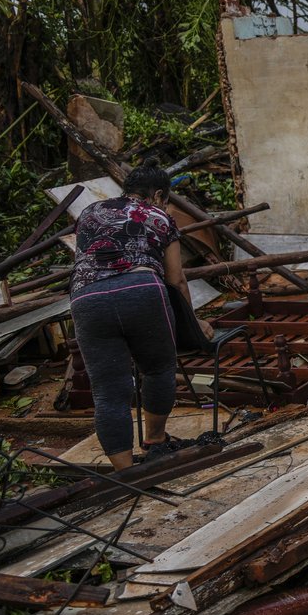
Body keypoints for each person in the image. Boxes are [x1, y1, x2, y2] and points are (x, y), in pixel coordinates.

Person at [69, 159, 212, 470]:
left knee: (108, 392)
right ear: (159, 195)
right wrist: (195, 322)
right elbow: (175, 279)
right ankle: (155, 441)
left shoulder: (90, 212)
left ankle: (126, 473)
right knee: (159, 369)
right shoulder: (158, 216)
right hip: (141, 289)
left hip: (86, 299)